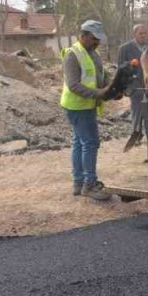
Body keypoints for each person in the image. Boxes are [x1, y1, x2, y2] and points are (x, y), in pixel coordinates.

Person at [62, 20, 113, 201]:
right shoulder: (73, 55)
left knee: (79, 143)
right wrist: (99, 93)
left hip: (87, 105)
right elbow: (74, 85)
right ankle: (89, 185)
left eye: (98, 40)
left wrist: (111, 87)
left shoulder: (93, 53)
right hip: (78, 106)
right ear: (83, 36)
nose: (96, 42)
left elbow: (100, 75)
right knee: (90, 143)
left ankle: (79, 183)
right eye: (94, 39)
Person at [117, 24, 148, 151]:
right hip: (134, 85)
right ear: (134, 34)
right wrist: (130, 65)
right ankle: (136, 133)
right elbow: (120, 67)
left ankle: (147, 135)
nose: (143, 35)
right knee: (137, 110)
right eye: (140, 33)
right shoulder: (125, 48)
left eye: (145, 33)